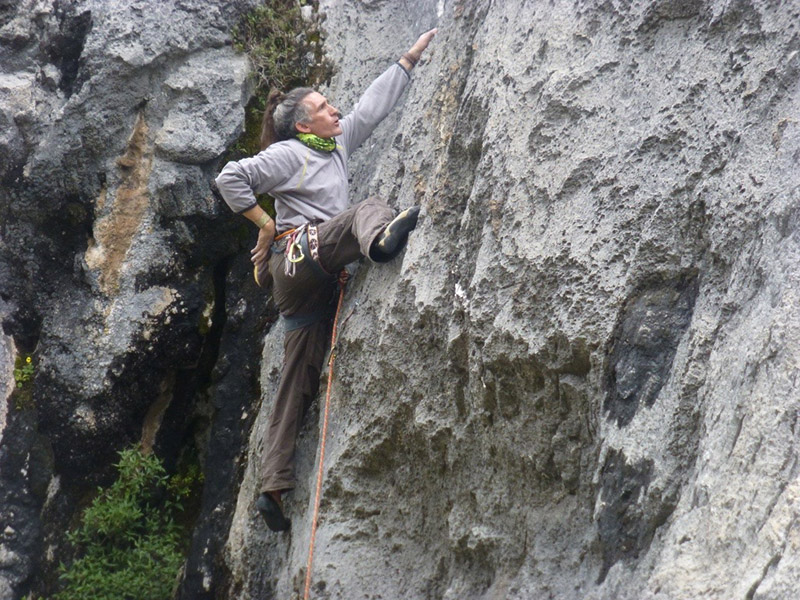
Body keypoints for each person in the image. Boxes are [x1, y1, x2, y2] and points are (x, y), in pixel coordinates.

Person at [215, 29, 438, 531]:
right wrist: (266, 224)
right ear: (302, 122)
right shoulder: (291, 154)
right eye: (324, 105)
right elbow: (229, 177)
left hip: (308, 279)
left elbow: (369, 109)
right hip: (297, 255)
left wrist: (409, 58)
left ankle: (272, 487)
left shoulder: (333, 148)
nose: (335, 110)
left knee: (297, 379)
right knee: (367, 209)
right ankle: (378, 240)